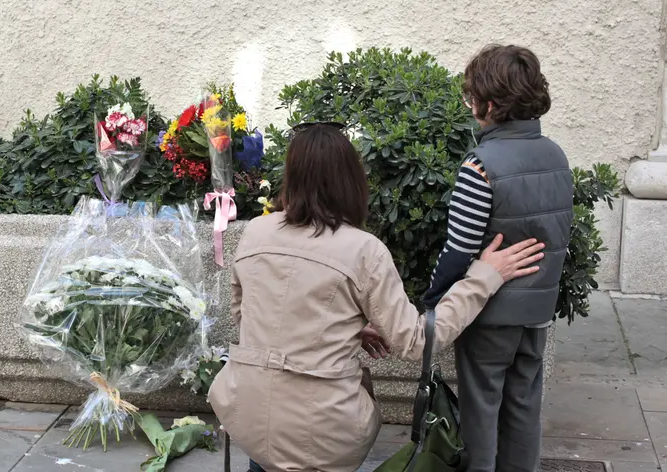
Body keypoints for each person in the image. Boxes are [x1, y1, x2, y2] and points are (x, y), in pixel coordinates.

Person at [208, 122, 546, 472]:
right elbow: (418, 342)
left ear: (290, 176)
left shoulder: (255, 232)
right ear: (351, 179)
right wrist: (485, 276)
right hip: (320, 434)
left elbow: (247, 318)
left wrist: (340, 328)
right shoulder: (363, 250)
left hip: (246, 411)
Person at [422, 44, 573, 472]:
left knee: (481, 411)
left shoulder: (480, 166)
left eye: (472, 98)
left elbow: (459, 250)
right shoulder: (557, 156)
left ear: (491, 103)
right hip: (537, 313)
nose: (470, 108)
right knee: (525, 408)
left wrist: (433, 301)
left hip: (487, 314)